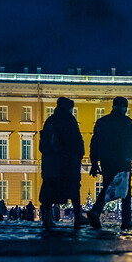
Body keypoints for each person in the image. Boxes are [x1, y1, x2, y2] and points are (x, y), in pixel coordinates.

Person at [88, 96, 132, 230]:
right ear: (125, 108)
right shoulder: (127, 122)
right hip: (122, 160)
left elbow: (94, 142)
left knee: (108, 186)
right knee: (126, 190)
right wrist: (128, 160)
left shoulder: (102, 122)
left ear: (113, 106)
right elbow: (128, 143)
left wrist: (94, 162)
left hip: (106, 160)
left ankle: (96, 211)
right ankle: (126, 221)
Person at [38, 97, 84, 229]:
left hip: (50, 163)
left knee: (49, 188)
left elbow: (42, 145)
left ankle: (47, 217)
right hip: (67, 163)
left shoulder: (50, 120)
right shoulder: (69, 120)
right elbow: (77, 139)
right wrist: (80, 154)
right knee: (74, 188)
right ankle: (77, 217)